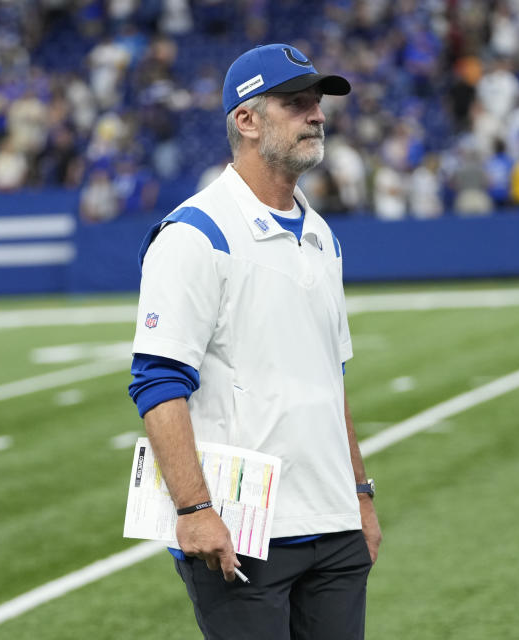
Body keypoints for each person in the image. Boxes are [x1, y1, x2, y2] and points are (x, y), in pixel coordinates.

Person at [127, 43, 381, 639]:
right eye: (296, 103)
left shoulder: (320, 232)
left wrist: (360, 494)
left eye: (316, 103)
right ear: (245, 120)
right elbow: (157, 381)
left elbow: (331, 376)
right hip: (244, 532)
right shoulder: (195, 235)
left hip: (334, 522)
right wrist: (192, 509)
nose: (316, 114)